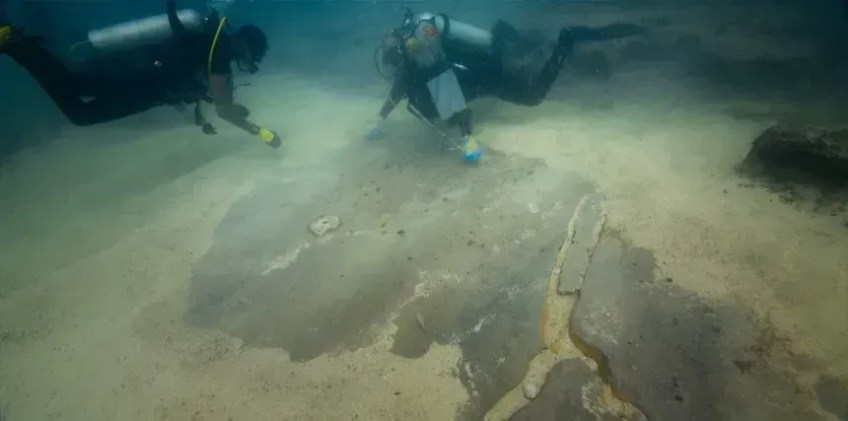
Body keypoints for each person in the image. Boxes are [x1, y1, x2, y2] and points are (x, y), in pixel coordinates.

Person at [366, 10, 643, 162]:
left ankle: (566, 40)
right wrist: (379, 122)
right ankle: (502, 34)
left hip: (485, 77)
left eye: (394, 70)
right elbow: (398, 92)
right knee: (503, 59)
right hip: (477, 75)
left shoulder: (426, 66)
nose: (395, 77)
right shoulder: (414, 66)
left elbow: (451, 99)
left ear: (399, 59)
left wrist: (468, 140)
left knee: (533, 96)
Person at [0, 0, 282, 148]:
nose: (249, 62)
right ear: (243, 45)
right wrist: (260, 132)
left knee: (78, 104)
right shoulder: (219, 50)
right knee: (74, 91)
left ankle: (18, 47)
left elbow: (204, 90)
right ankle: (18, 44)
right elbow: (224, 110)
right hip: (140, 79)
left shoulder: (212, 44)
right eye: (251, 55)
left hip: (142, 77)